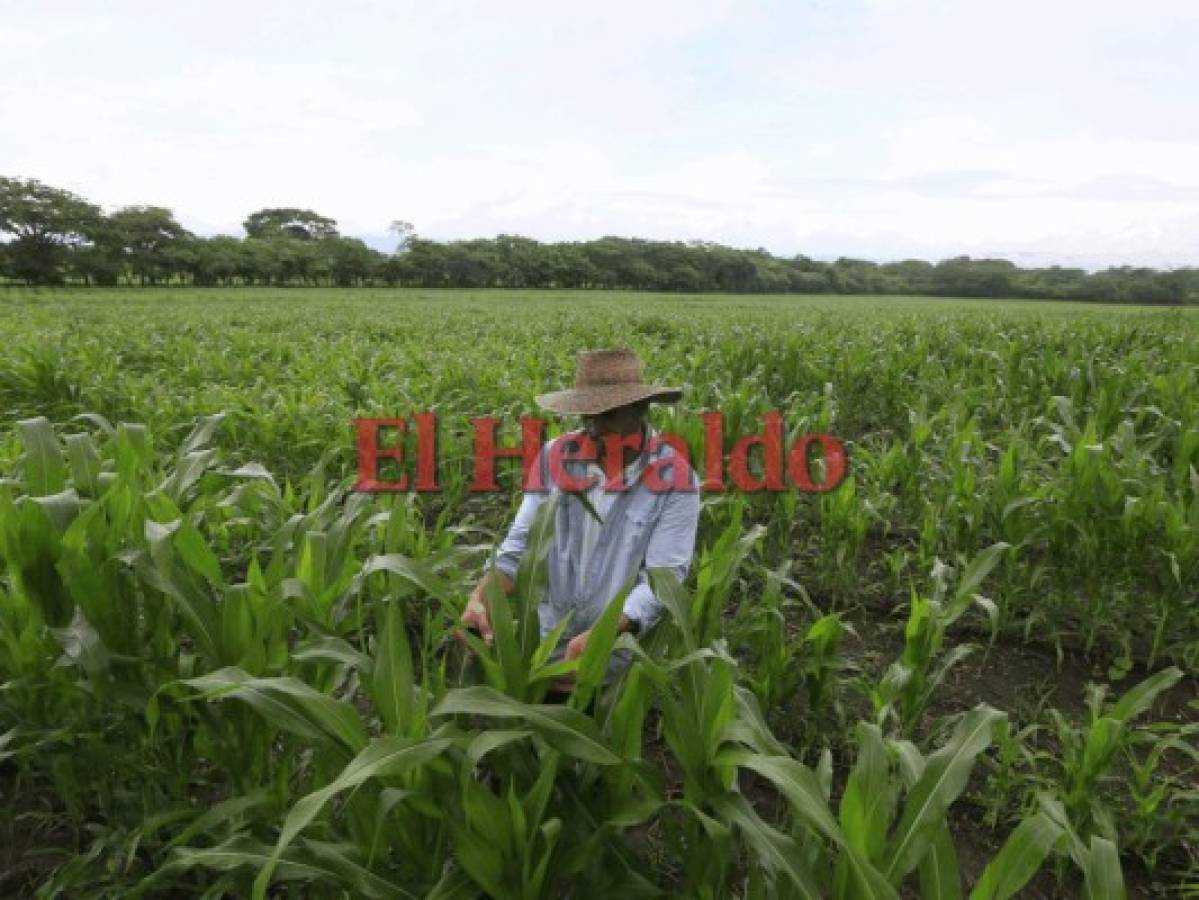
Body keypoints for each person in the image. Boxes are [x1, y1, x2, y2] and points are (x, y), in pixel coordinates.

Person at [459, 348, 701, 697]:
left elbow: (663, 580)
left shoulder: (676, 479)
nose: (593, 428)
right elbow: (518, 550)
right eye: (587, 415)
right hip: (543, 652)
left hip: (615, 666)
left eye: (608, 415)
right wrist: (482, 599)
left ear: (641, 409)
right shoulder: (555, 457)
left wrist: (603, 636)